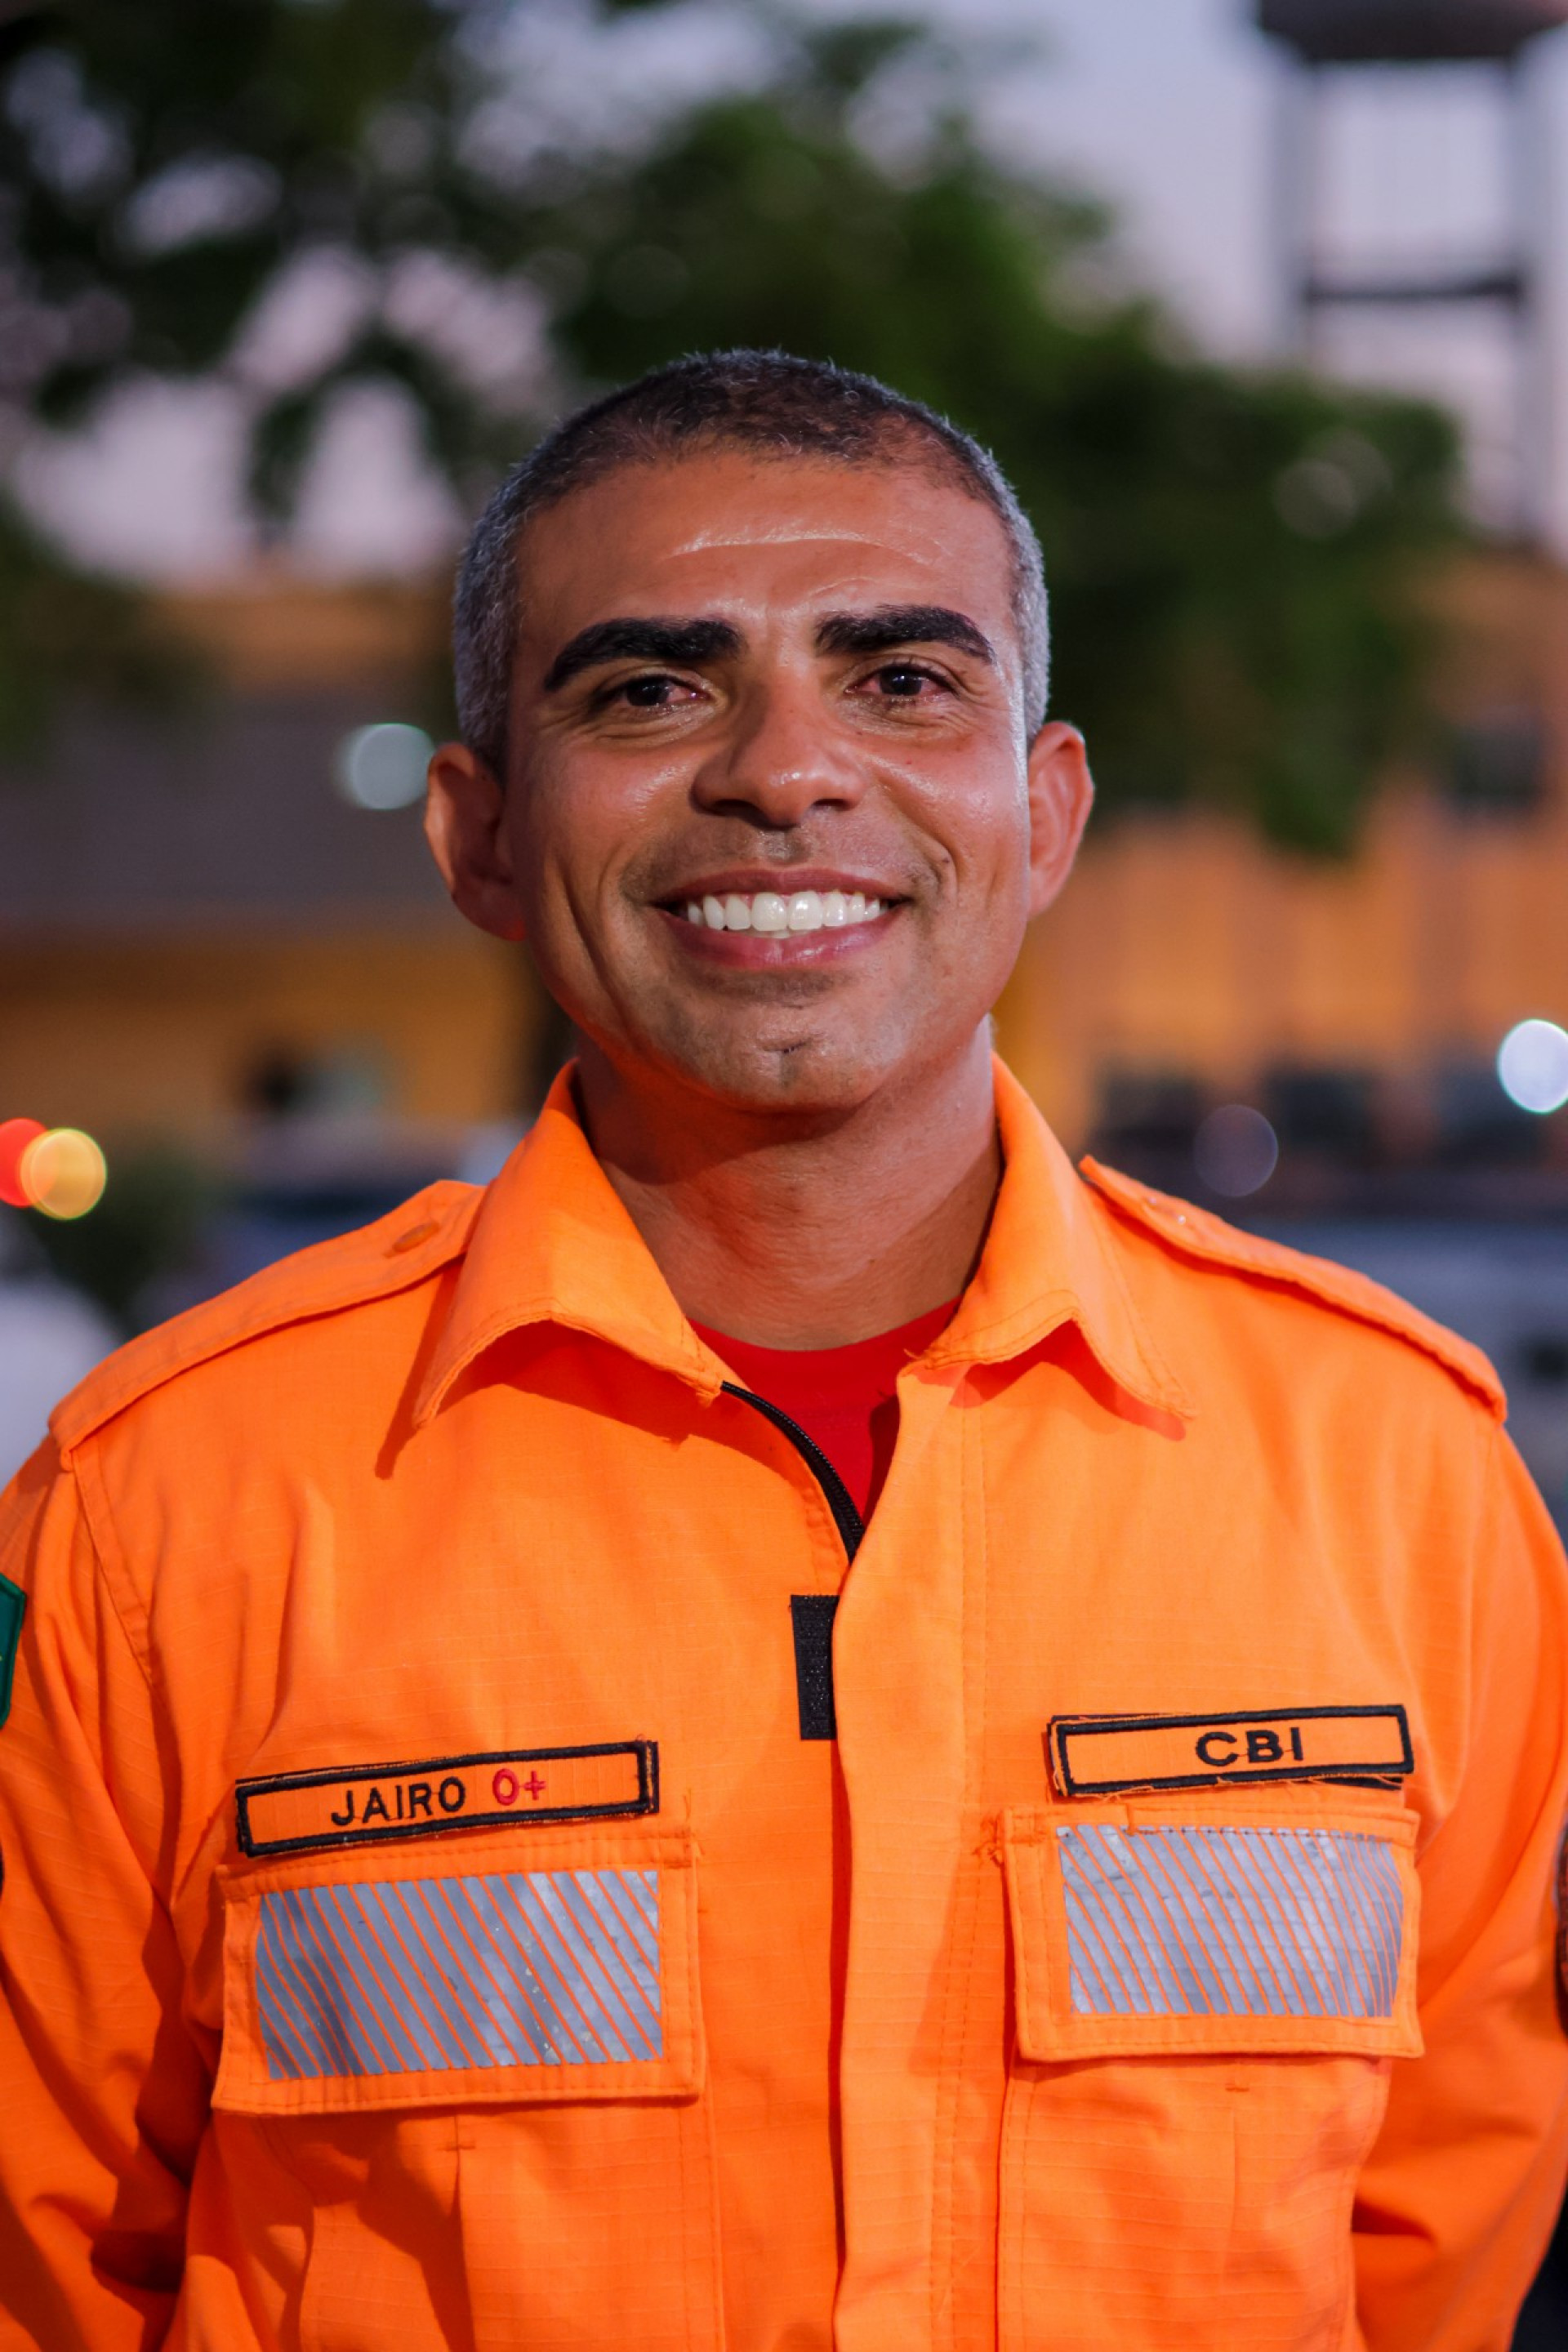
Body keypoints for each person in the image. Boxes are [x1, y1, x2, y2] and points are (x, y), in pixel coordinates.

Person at [1, 350, 1566, 2352]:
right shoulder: (180, 1506)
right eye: (651, 689)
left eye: (903, 680)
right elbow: (56, 2277)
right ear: (477, 835)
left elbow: (1435, 2257)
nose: (783, 771)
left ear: (1048, 807)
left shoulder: (1397, 1472)